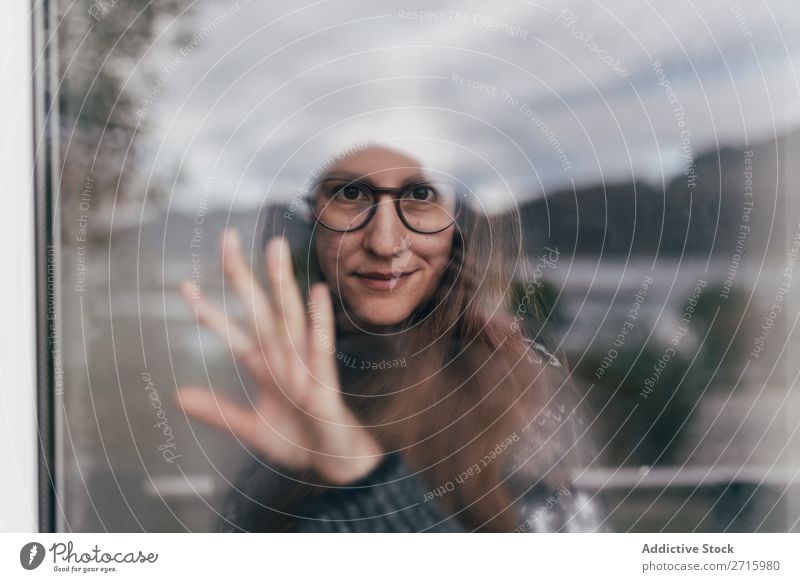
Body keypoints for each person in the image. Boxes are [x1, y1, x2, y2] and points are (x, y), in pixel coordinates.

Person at [175, 144, 607, 532]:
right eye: (350, 194)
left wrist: (363, 480)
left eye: (420, 195)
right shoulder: (278, 375)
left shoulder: (516, 384)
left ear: (459, 224)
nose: (384, 243)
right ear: (313, 224)